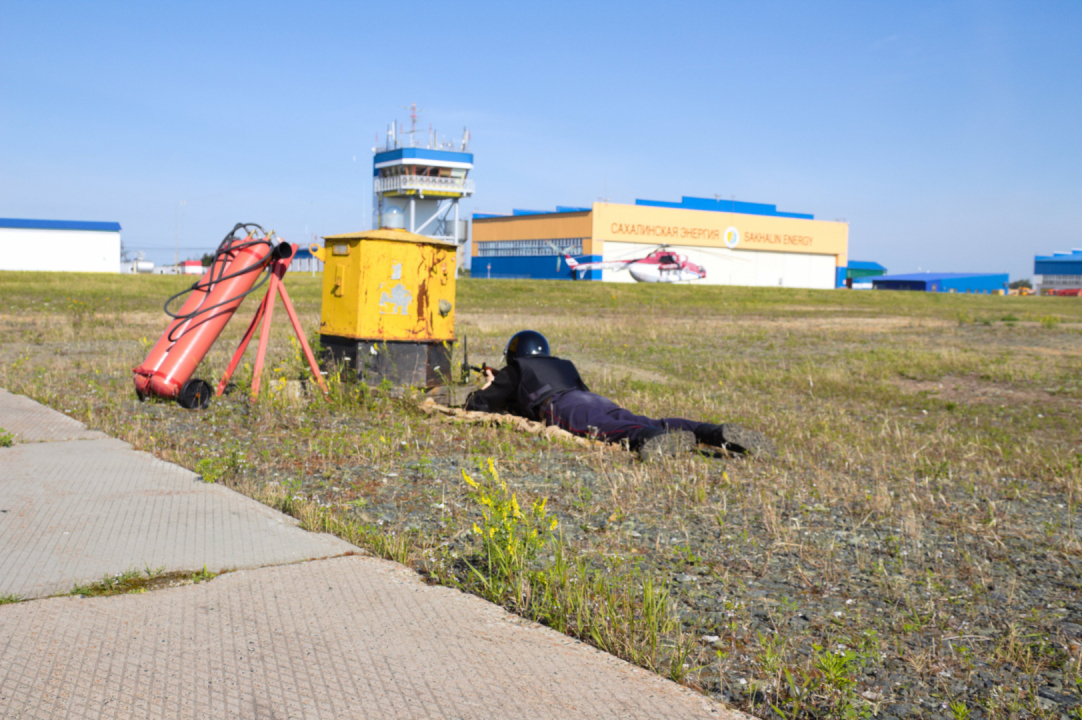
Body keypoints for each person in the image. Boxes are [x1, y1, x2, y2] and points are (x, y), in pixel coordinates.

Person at [464, 330, 775, 461]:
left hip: (562, 405)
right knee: (639, 418)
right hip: (594, 399)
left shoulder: (516, 368)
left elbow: (478, 405)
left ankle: (650, 440)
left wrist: (490, 382)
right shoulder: (563, 364)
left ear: (515, 354)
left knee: (609, 430)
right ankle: (711, 431)